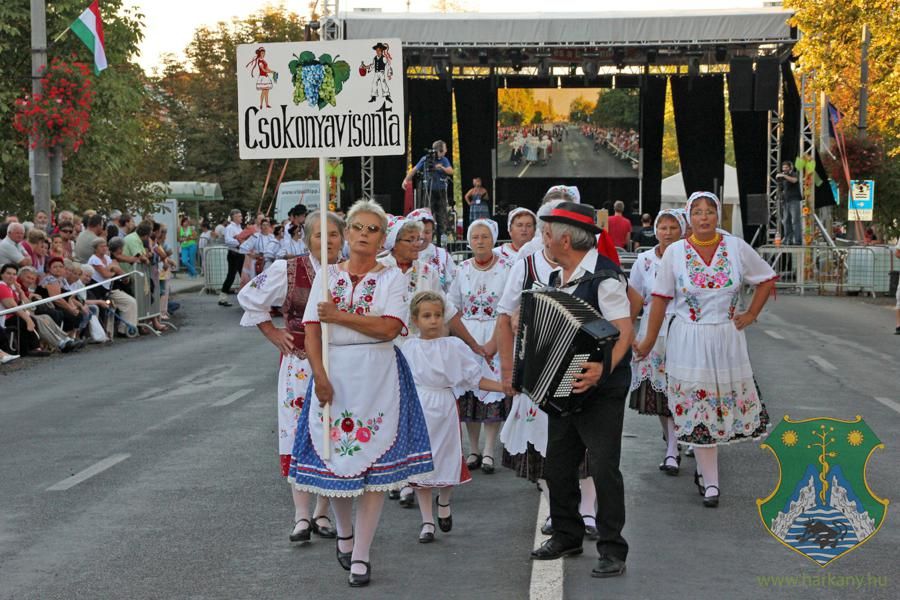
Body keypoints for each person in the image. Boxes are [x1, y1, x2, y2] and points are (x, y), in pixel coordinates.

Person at [288, 200, 434, 588]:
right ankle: (344, 531)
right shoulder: (326, 275)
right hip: (334, 371)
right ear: (347, 233)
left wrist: (341, 317)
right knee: (336, 457)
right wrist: (318, 374)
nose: (365, 235)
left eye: (374, 229)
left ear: (382, 237)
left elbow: (389, 328)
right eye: (358, 227)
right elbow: (313, 329)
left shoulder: (392, 279)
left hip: (378, 372)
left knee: (373, 470)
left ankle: (363, 553)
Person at [500, 201, 635, 578]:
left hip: (602, 387)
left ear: (564, 238)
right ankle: (567, 534)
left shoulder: (604, 279)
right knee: (558, 464)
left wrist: (601, 369)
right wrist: (521, 322)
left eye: (545, 233)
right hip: (564, 386)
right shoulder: (560, 278)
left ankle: (612, 548)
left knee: (605, 466)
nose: (542, 240)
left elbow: (623, 330)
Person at [635, 191, 776, 508]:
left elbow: (766, 278)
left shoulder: (736, 248)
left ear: (718, 216)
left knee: (718, 409)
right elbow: (660, 299)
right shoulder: (675, 253)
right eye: (696, 212)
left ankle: (704, 473)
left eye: (709, 211)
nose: (703, 217)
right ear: (689, 218)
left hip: (727, 338)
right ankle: (711, 482)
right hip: (689, 338)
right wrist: (646, 342)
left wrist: (751, 314)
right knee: (698, 409)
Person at [239, 211, 345, 544]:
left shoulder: (350, 272)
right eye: (318, 235)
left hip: (342, 363)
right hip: (299, 363)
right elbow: (250, 297)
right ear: (306, 239)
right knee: (298, 433)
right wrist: (271, 332)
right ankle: (301, 515)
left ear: (342, 238)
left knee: (334, 433)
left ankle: (323, 511)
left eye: (332, 235)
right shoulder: (288, 269)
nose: (326, 241)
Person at [497, 201, 599, 542]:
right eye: (546, 230)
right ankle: (559, 508)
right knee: (544, 444)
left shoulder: (593, 265)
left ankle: (586, 511)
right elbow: (504, 314)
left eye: (555, 232)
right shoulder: (526, 264)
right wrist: (509, 370)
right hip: (536, 367)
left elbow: (621, 310)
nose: (549, 237)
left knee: (581, 438)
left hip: (577, 365)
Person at [403, 291, 504, 543]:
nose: (434, 320)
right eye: (427, 316)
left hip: (445, 406)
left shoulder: (454, 346)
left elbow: (474, 379)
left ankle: (444, 501)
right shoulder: (409, 348)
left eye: (438, 315)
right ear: (415, 319)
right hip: (419, 408)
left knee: (446, 459)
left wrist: (504, 386)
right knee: (422, 465)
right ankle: (427, 521)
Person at [449, 219, 511, 476]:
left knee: (492, 391)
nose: (480, 241)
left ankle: (488, 450)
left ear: (493, 239)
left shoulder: (508, 267)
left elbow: (509, 307)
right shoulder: (462, 268)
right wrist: (466, 341)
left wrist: (494, 343)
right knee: (469, 394)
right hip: (468, 336)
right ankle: (471, 449)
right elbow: (452, 305)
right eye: (475, 237)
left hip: (496, 332)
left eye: (485, 236)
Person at [627, 209, 686, 475]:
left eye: (674, 228)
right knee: (660, 391)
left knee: (682, 388)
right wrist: (627, 330)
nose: (668, 233)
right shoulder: (645, 260)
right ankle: (672, 445)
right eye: (663, 228)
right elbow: (636, 296)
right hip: (653, 329)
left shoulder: (689, 257)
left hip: (684, 328)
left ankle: (687, 436)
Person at [402, 141, 454, 244]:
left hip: (441, 191)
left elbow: (451, 171)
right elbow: (414, 170)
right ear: (440, 150)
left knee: (441, 216)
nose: (446, 150)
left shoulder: (444, 160)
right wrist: (406, 180)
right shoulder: (426, 159)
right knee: (427, 215)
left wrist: (441, 168)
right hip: (428, 190)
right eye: (445, 148)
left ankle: (440, 242)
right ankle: (425, 240)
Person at [88, 238, 139, 336]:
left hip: (109, 290)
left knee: (130, 301)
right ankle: (106, 332)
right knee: (109, 306)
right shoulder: (93, 259)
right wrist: (113, 269)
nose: (104, 248)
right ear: (96, 249)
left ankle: (125, 329)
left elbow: (117, 270)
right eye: (101, 246)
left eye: (105, 246)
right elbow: (105, 274)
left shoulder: (107, 258)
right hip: (97, 291)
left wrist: (114, 270)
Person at [406, 208, 456, 292]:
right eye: (419, 231)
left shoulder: (442, 255)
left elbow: (454, 286)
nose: (422, 236)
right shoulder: (403, 255)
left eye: (427, 232)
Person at [219, 209, 246, 307]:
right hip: (233, 254)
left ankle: (245, 298)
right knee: (231, 276)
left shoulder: (240, 228)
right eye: (239, 216)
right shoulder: (230, 228)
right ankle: (222, 298)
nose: (241, 218)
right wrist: (239, 241)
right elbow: (227, 240)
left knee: (244, 276)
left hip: (240, 253)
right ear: (234, 217)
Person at [777, 160, 803, 245]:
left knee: (795, 220)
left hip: (794, 200)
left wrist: (784, 176)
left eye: (786, 167)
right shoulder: (784, 177)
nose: (784, 169)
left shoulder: (793, 174)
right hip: (786, 201)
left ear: (790, 167)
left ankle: (798, 240)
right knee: (785, 221)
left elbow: (794, 180)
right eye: (783, 168)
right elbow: (782, 189)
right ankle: (788, 239)